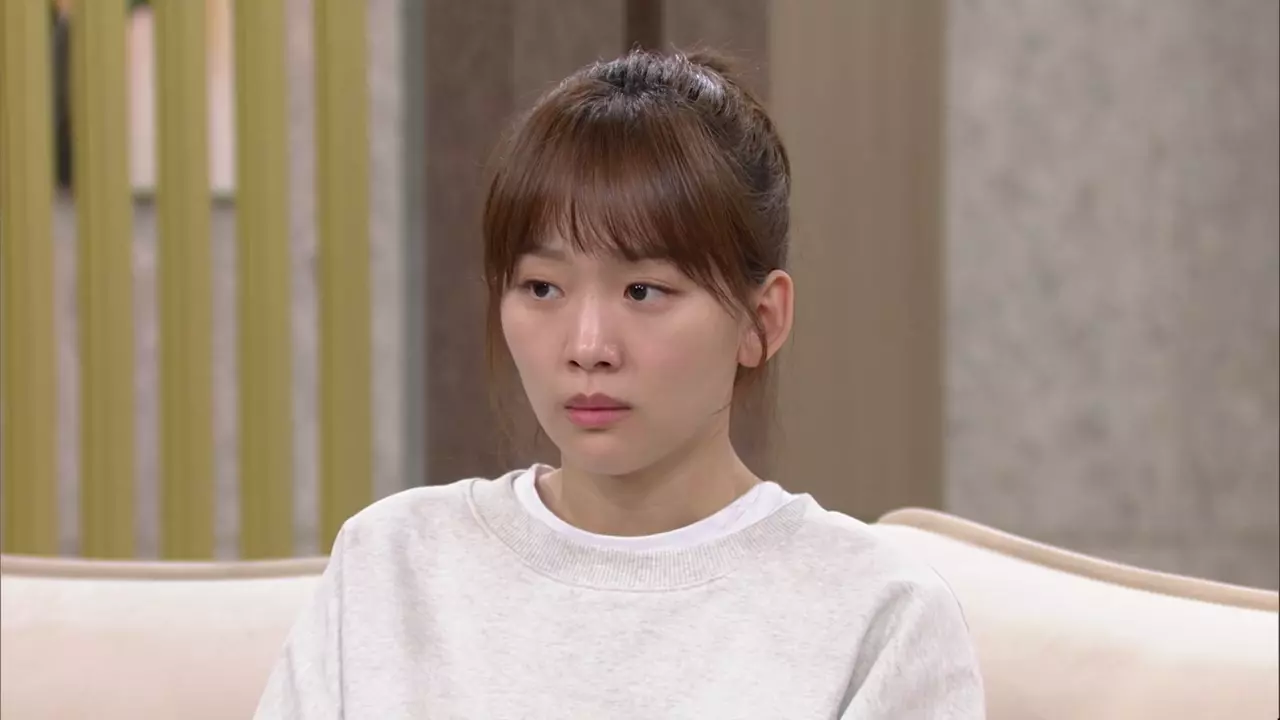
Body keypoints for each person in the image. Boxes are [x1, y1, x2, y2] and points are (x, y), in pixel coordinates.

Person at [254, 49, 985, 719]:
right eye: (542, 288)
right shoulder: (392, 564)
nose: (587, 348)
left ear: (761, 320)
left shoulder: (878, 614)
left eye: (643, 291)